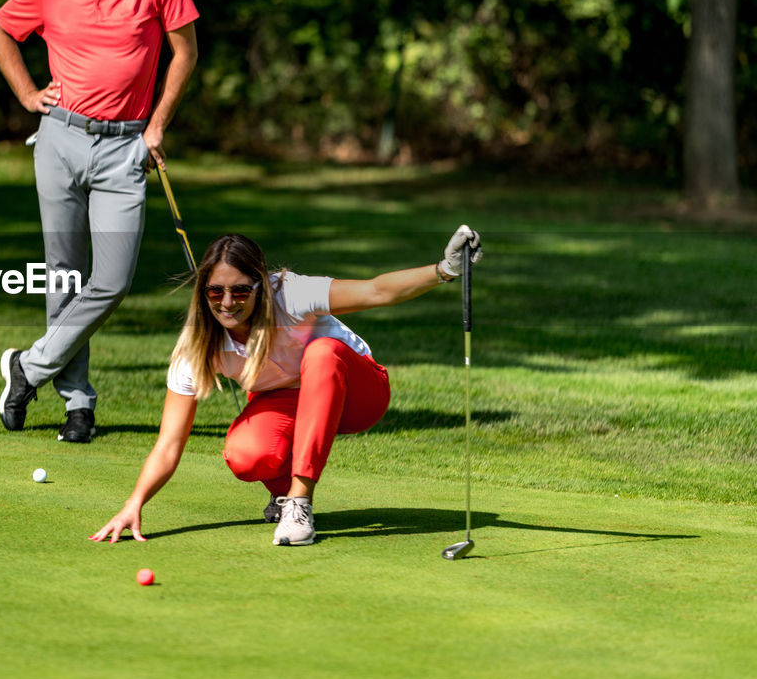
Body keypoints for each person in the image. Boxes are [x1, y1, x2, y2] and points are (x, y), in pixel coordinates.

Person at [89, 226, 483, 547]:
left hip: (358, 392)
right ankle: (282, 494)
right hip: (287, 402)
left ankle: (299, 502)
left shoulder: (289, 294)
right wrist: (133, 503)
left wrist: (444, 269)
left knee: (322, 352)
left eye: (240, 290)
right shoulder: (196, 346)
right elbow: (169, 443)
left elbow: (375, 290)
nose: (228, 302)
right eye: (215, 292)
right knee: (245, 453)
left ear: (260, 285)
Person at [0, 0, 199, 444]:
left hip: (125, 146)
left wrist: (156, 126)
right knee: (64, 274)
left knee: (110, 279)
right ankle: (77, 402)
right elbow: (0, 30)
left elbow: (187, 52)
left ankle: (27, 369)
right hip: (60, 140)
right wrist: (29, 95)